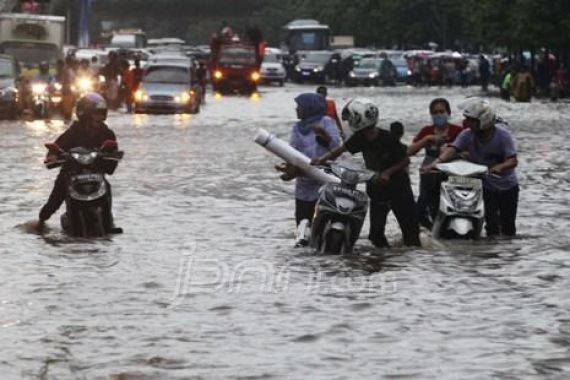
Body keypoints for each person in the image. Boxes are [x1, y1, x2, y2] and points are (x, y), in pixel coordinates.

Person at [312, 98, 421, 248]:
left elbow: (405, 161)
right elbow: (341, 150)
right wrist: (321, 159)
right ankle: (386, 260)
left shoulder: (388, 139)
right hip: (377, 189)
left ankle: (405, 262)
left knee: (411, 235)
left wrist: (387, 173)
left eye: (351, 118)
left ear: (359, 119)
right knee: (375, 235)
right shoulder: (359, 138)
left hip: (399, 189)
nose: (349, 122)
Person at [423, 97, 519, 237]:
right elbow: (452, 150)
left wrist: (499, 167)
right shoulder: (467, 135)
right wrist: (435, 164)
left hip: (508, 187)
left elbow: (512, 160)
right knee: (491, 225)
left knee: (509, 227)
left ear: (483, 120)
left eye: (470, 120)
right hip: (485, 186)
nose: (466, 123)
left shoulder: (503, 136)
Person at [38, 93, 121, 233]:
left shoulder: (107, 133)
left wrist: (111, 157)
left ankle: (108, 225)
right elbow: (57, 148)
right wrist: (53, 156)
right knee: (54, 201)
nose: (99, 117)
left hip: (95, 174)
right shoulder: (73, 132)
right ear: (85, 114)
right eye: (96, 113)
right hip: (71, 174)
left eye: (102, 113)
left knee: (107, 187)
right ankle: (40, 224)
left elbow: (112, 154)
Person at [275, 93, 341, 246]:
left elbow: (336, 149)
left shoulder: (326, 122)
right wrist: (287, 170)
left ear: (308, 107)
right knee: (302, 227)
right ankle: (304, 261)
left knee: (325, 225)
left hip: (326, 181)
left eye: (299, 107)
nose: (297, 109)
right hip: (304, 184)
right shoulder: (297, 128)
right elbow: (292, 154)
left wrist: (323, 135)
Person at [408, 98, 464, 228]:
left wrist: (451, 151)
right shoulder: (426, 131)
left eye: (441, 111)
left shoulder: (458, 131)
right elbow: (409, 151)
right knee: (421, 210)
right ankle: (431, 234)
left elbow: (469, 153)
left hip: (452, 174)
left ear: (448, 113)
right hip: (429, 174)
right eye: (435, 112)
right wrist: (427, 139)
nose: (439, 115)